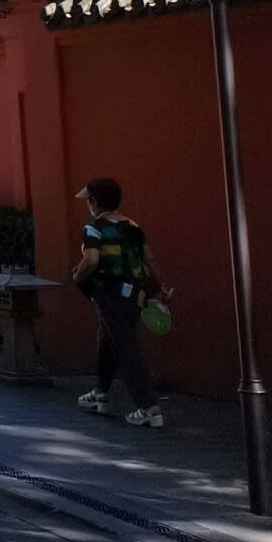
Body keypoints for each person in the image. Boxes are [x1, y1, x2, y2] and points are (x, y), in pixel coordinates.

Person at [72, 177, 165, 428]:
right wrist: (159, 289)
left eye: (88, 200)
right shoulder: (134, 227)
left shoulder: (94, 228)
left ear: (93, 202)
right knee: (109, 338)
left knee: (125, 347)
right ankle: (100, 393)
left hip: (108, 293)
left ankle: (149, 407)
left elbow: (90, 260)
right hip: (135, 294)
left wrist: (77, 276)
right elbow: (149, 260)